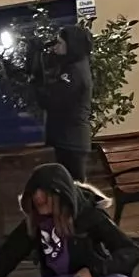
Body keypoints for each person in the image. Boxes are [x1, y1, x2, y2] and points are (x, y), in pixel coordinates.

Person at [0, 163, 139, 277]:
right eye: (36, 202)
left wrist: (95, 271)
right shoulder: (35, 222)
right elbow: (8, 254)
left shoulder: (89, 216)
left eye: (46, 200)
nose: (39, 203)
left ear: (61, 196)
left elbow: (129, 251)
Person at [34, 25, 94, 181]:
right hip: (68, 139)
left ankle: (93, 205)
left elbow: (54, 100)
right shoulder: (73, 66)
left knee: (74, 189)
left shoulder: (74, 71)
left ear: (71, 45)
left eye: (60, 43)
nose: (55, 47)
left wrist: (39, 86)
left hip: (70, 141)